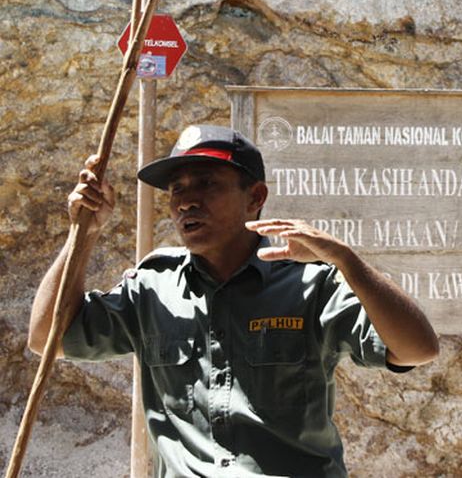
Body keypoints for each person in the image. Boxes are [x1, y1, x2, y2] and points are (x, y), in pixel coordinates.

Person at [28, 124, 440, 477]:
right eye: (177, 190)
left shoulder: (311, 284)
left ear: (255, 196)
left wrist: (345, 259)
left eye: (207, 183)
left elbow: (418, 349)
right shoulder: (153, 286)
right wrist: (83, 233)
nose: (187, 200)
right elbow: (47, 339)